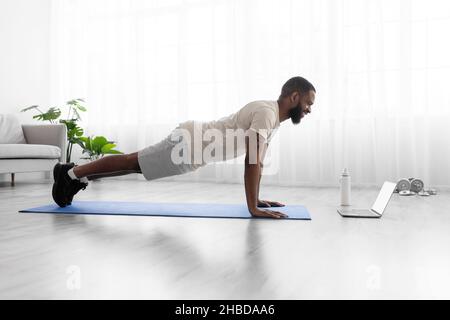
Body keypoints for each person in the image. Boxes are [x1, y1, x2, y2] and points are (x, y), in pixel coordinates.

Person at [52, 76, 316, 219]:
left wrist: (256, 200)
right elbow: (252, 162)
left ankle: (76, 174)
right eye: (308, 103)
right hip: (190, 143)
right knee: (134, 162)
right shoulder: (267, 113)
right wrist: (252, 208)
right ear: (294, 96)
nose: (308, 109)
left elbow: (257, 162)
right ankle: (70, 174)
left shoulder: (272, 118)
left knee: (137, 167)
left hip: (194, 151)